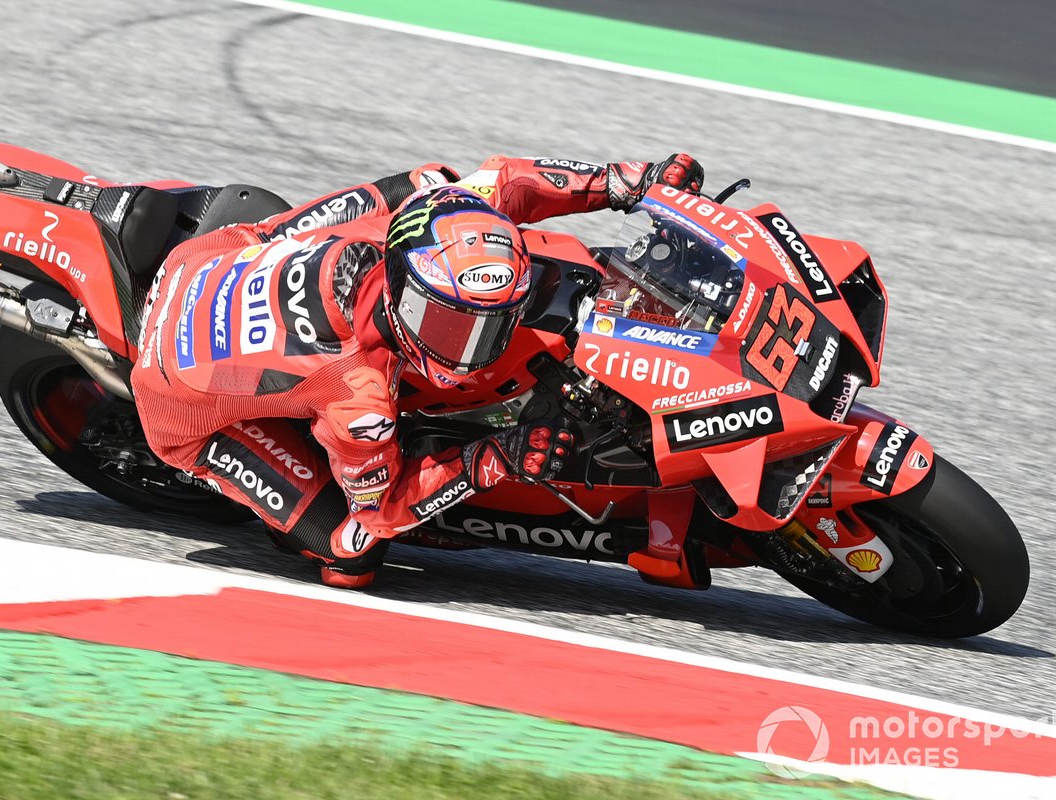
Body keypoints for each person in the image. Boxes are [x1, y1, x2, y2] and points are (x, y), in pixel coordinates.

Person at [130, 152, 705, 588]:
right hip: (176, 400)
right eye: (453, 326)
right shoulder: (362, 400)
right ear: (404, 295)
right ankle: (260, 485)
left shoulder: (420, 222)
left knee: (431, 182)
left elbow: (506, 181)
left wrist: (625, 183)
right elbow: (379, 511)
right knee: (353, 552)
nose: (475, 348)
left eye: (491, 326)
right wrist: (492, 459)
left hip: (212, 255)